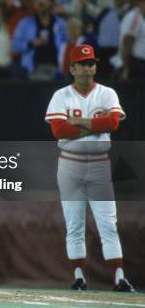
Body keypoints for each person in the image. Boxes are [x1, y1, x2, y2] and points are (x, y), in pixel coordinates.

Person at [44, 45, 134, 292]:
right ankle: (78, 277)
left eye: (91, 63)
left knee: (108, 223)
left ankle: (118, 278)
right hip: (70, 164)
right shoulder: (61, 95)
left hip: (99, 165)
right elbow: (59, 131)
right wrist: (97, 124)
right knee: (74, 224)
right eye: (82, 64)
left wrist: (81, 122)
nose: (87, 68)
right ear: (71, 69)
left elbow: (113, 123)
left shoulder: (107, 93)